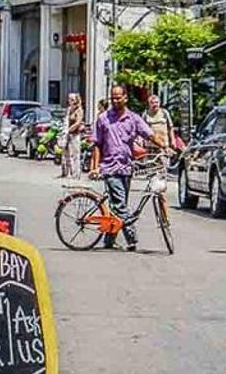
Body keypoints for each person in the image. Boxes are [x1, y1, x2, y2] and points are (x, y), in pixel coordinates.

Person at [89, 85, 167, 251]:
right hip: (109, 168)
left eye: (118, 97)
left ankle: (109, 241)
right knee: (120, 205)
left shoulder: (133, 119)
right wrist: (95, 167)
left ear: (125, 98)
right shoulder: (103, 119)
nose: (115, 101)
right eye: (113, 98)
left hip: (126, 167)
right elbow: (96, 144)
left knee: (118, 205)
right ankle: (132, 237)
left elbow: (149, 134)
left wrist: (165, 147)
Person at [61, 93, 84, 180]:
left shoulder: (79, 110)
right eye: (69, 99)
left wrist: (69, 129)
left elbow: (78, 122)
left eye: (72, 99)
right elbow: (66, 120)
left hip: (75, 135)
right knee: (67, 154)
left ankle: (76, 174)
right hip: (68, 135)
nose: (70, 101)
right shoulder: (69, 110)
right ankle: (68, 172)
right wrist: (65, 131)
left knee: (75, 155)